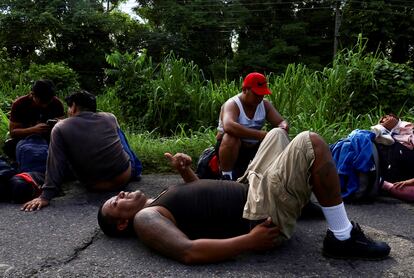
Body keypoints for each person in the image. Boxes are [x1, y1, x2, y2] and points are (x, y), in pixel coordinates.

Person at [98, 128, 391, 264]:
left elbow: (202, 204)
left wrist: (187, 173)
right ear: (123, 223)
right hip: (258, 214)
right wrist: (249, 242)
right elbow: (188, 251)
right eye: (116, 202)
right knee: (311, 142)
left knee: (276, 134)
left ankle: (304, 204)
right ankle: (341, 237)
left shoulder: (156, 203)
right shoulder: (145, 220)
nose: (120, 194)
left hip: (251, 187)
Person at [21, 90, 142, 211]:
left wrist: (45, 197)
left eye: (69, 108)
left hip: (94, 185)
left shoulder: (60, 128)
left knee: (65, 147)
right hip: (123, 178)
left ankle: (135, 169)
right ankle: (136, 170)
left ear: (73, 107)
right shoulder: (110, 117)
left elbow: (55, 164)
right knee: (118, 135)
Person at [216, 72, 288, 180]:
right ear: (245, 90)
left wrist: (283, 126)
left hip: (253, 147)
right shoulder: (232, 104)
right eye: (256, 94)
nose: (259, 98)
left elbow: (281, 121)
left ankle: (279, 176)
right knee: (230, 137)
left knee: (278, 136)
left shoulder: (265, 105)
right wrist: (262, 135)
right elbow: (229, 126)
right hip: (232, 148)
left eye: (262, 94)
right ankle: (226, 174)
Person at [4, 79, 65, 159]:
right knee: (9, 145)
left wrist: (57, 124)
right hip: (26, 139)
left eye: (48, 101)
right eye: (42, 102)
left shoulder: (56, 103)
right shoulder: (20, 104)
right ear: (32, 95)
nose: (45, 106)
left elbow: (63, 127)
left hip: (49, 139)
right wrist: (32, 130)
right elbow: (13, 132)